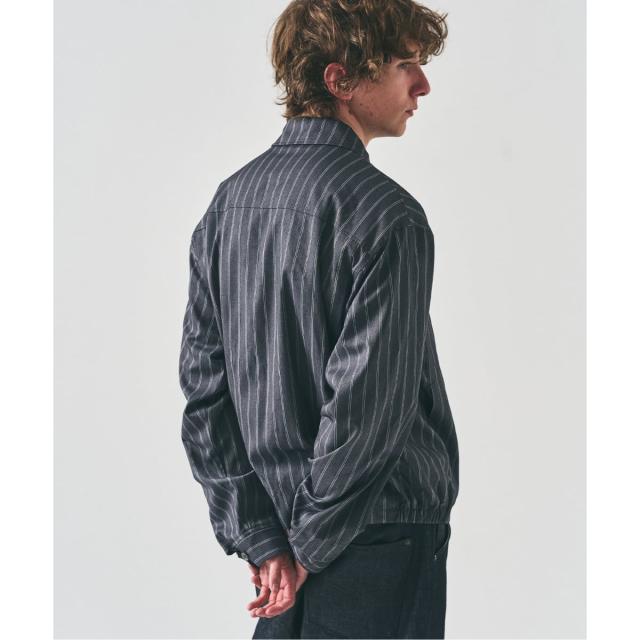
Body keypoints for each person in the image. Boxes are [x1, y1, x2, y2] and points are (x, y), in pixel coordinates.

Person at [178, 0, 460, 637]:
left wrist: (261, 534)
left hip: (282, 546)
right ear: (340, 80)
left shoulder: (229, 204)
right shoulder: (388, 216)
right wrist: (308, 544)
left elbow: (204, 393)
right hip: (375, 535)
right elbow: (367, 407)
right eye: (404, 65)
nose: (422, 85)